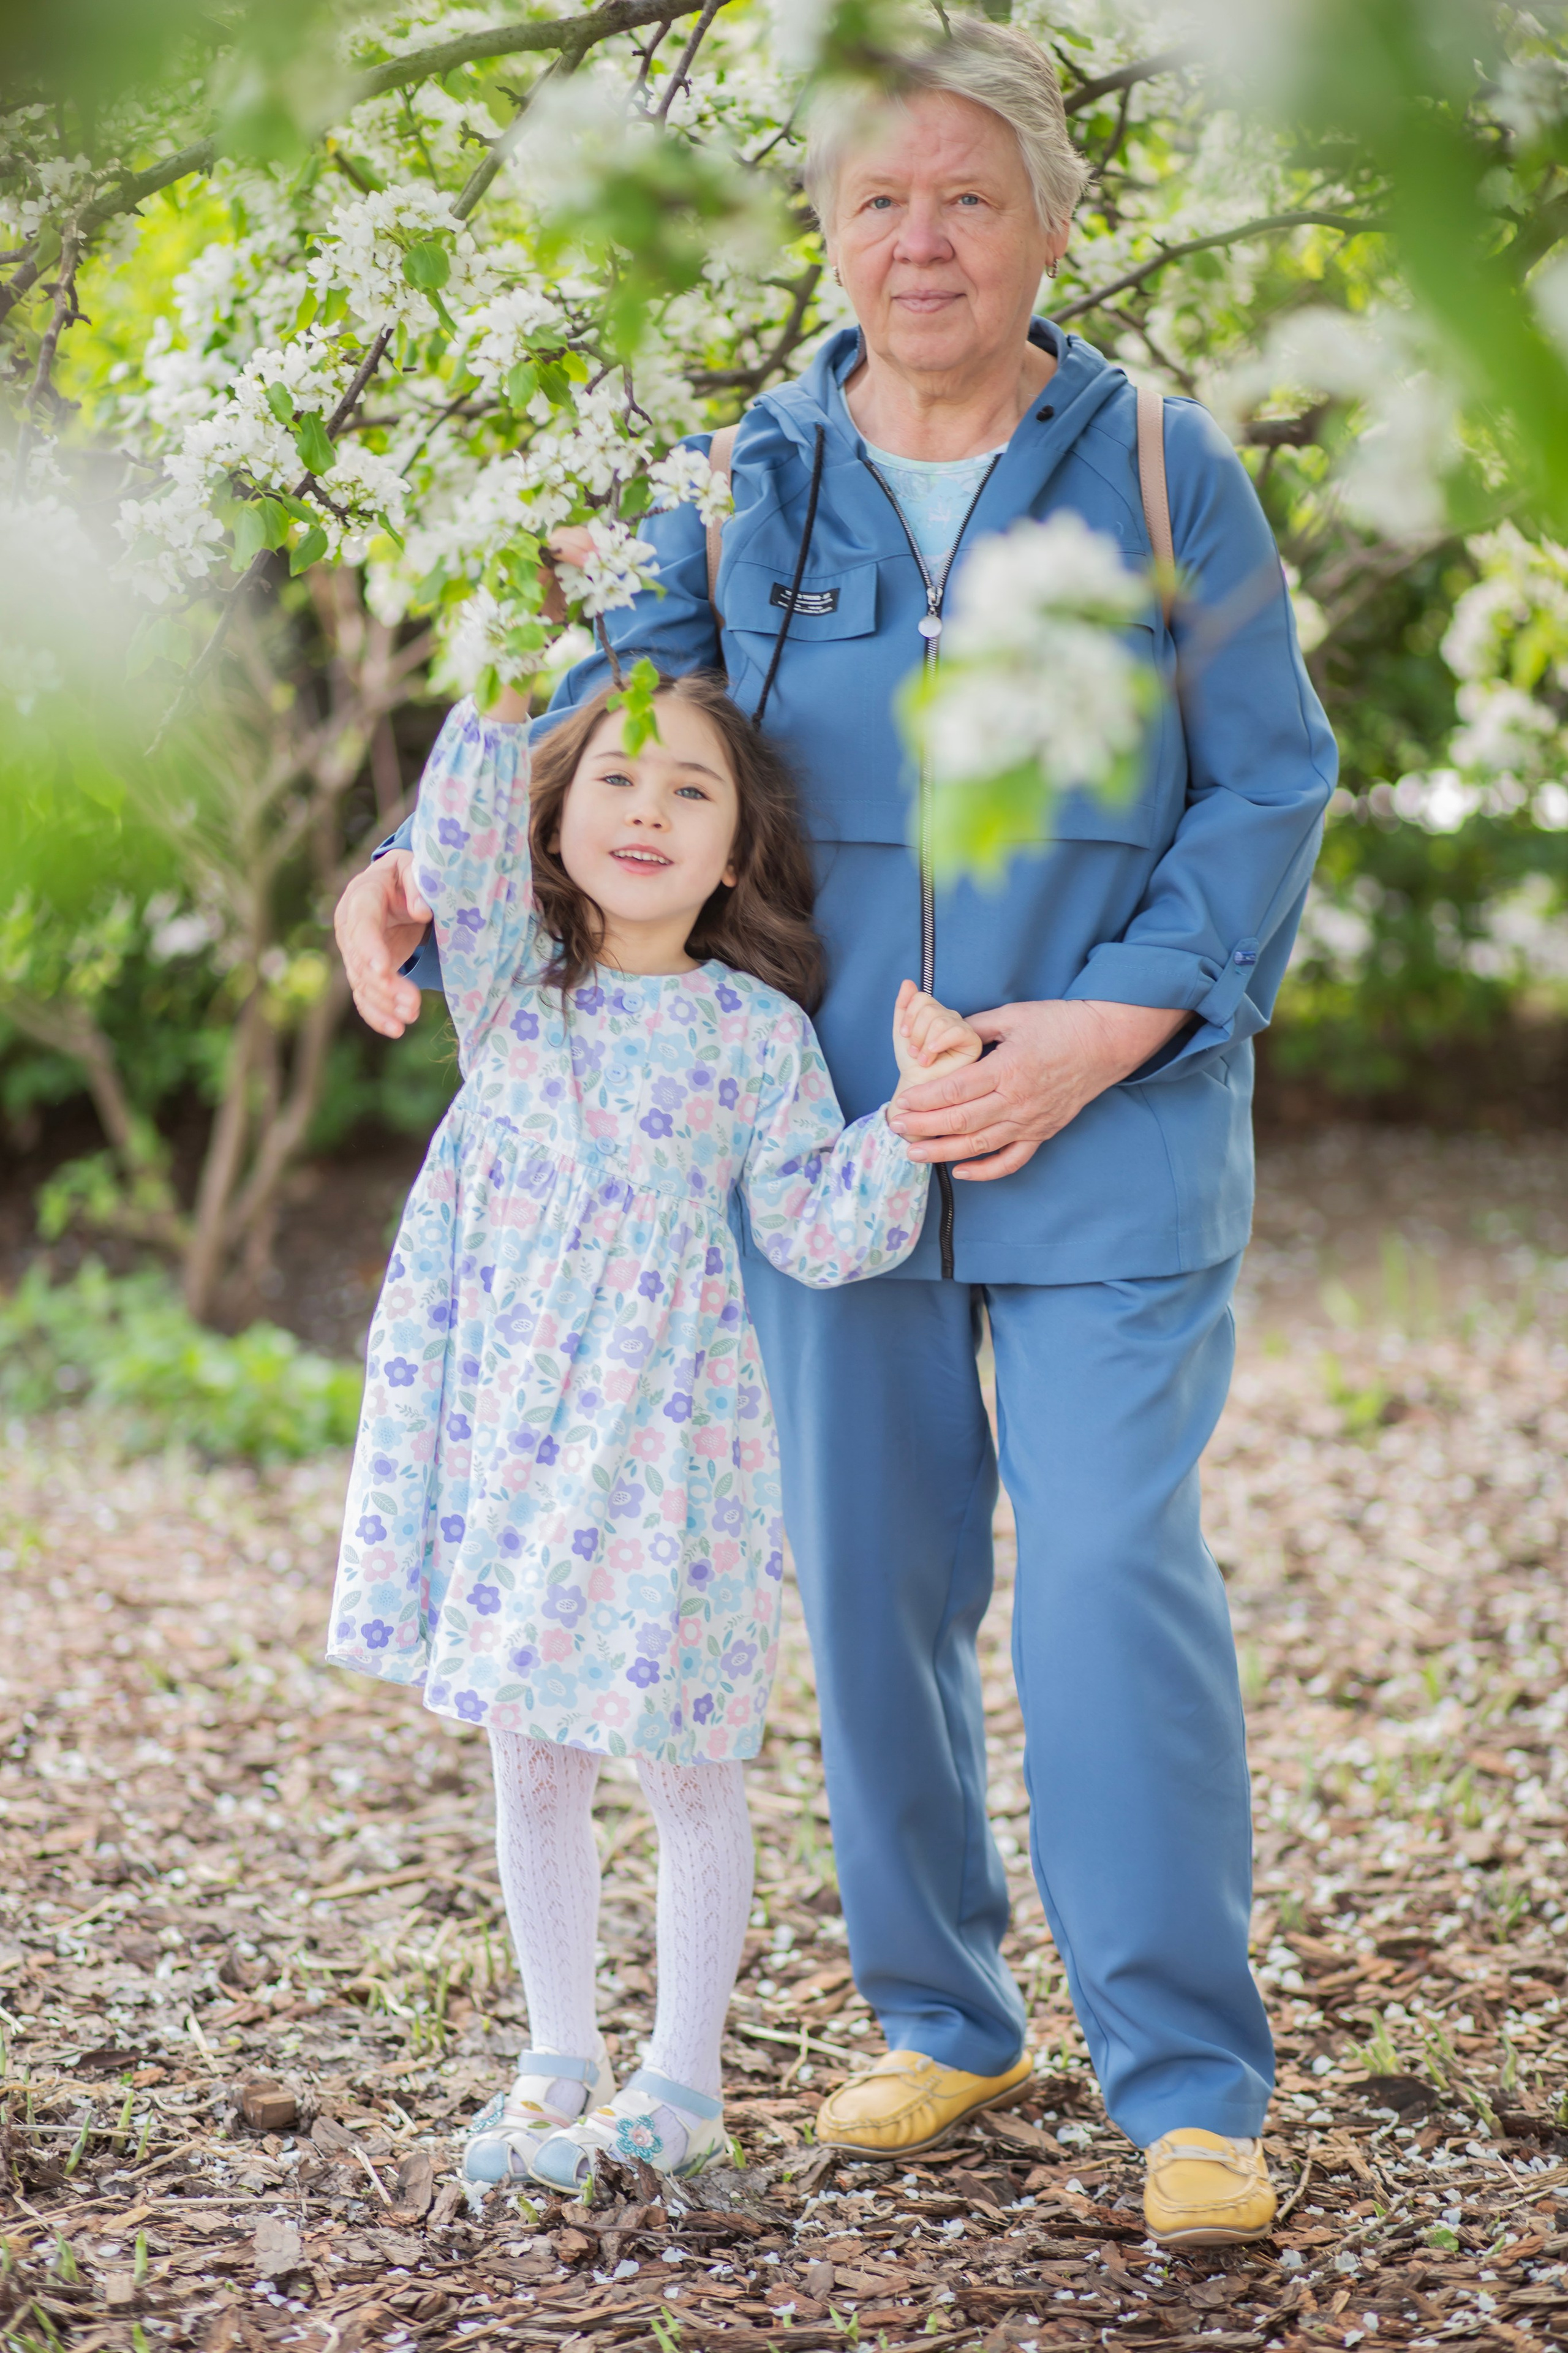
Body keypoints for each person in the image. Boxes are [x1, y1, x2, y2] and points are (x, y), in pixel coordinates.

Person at [336, 19, 1337, 2246]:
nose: (920, 239)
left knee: (1098, 1583)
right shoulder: (739, 480)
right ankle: (944, 2014)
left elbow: (1269, 786)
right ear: (821, 226)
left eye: (969, 195)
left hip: (1110, 1133)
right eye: (878, 196)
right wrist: (413, 861)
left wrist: (1097, 1030)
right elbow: (596, 720)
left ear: (1054, 224)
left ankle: (1186, 2074)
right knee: (873, 1596)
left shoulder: (1168, 466)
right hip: (814, 1150)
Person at [328, 667, 980, 2192]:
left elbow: (818, 1227)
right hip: (510, 1432)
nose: (648, 809)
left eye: (692, 789)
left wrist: (910, 1114)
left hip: (674, 1441)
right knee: (532, 1746)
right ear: (549, 833)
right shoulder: (509, 988)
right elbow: (456, 823)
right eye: (615, 781)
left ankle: (680, 2077)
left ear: (738, 851)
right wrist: (499, 674)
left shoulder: (758, 1036)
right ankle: (557, 2052)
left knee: (685, 1757)